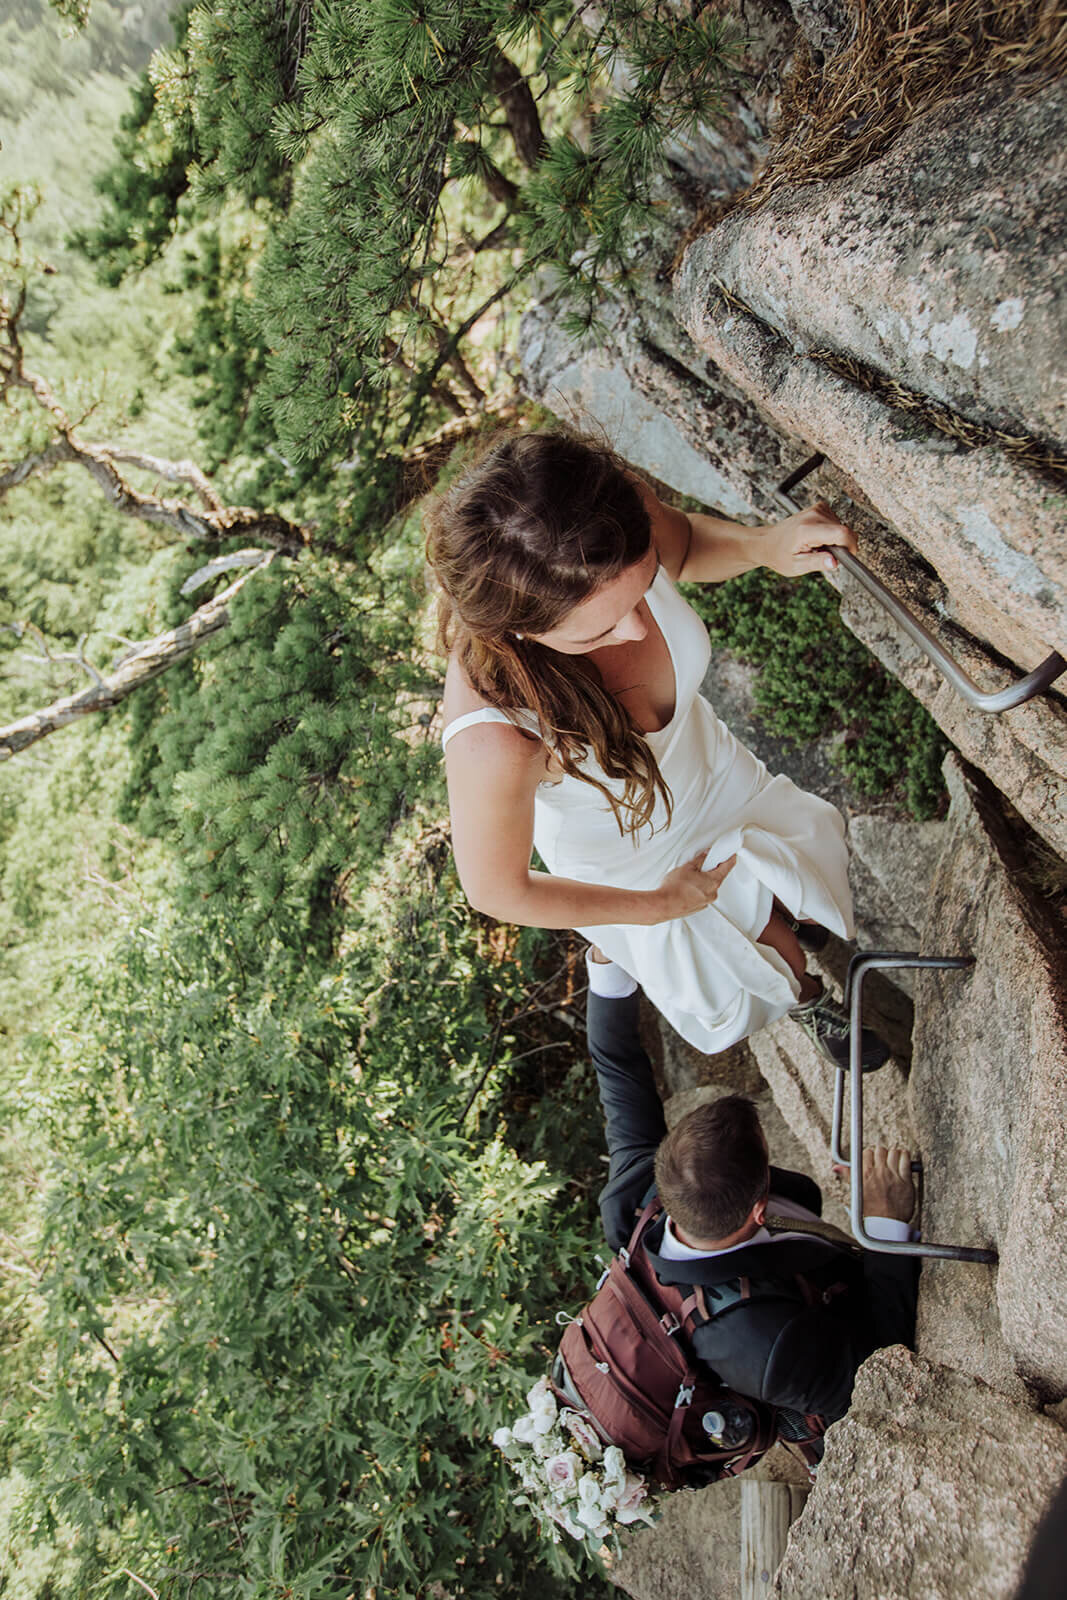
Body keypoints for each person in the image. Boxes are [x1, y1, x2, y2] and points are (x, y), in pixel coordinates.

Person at [428, 427, 887, 1065]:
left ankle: (793, 930)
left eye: (642, 590)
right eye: (600, 629)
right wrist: (656, 907)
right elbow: (497, 890)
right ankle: (807, 998)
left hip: (712, 774)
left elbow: (691, 546)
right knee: (769, 949)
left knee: (786, 885)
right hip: (631, 860)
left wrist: (767, 545)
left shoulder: (606, 518)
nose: (639, 625)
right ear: (520, 631)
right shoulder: (496, 735)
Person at [584, 948, 919, 1422]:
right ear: (759, 1211)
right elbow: (878, 1375)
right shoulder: (757, 1344)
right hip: (831, 1368)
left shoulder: (637, 1198)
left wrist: (608, 952)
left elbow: (615, 1064)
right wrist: (885, 1230)